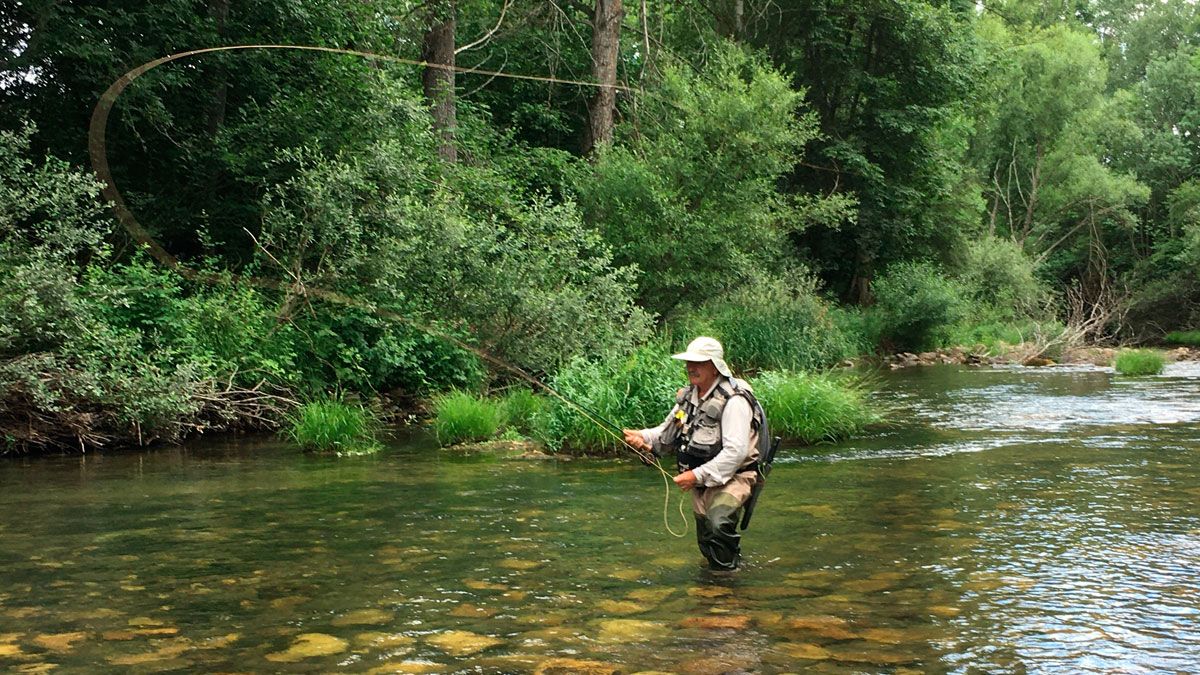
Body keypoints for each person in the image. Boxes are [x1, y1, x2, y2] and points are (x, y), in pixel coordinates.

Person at [623, 336, 763, 570]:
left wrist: (695, 476)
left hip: (734, 478)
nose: (690, 367)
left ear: (715, 366)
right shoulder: (690, 396)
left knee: (718, 525)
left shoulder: (735, 402)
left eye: (698, 362)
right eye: (688, 361)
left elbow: (735, 453)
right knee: (707, 543)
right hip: (702, 480)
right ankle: (719, 585)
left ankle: (727, 590)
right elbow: (667, 430)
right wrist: (643, 436)